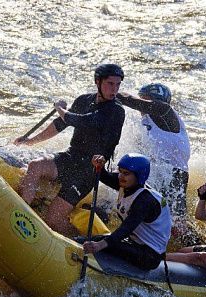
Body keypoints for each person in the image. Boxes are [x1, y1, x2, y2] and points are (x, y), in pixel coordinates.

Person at [13, 64, 126, 236]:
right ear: (98, 82)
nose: (114, 89)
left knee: (53, 220)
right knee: (35, 166)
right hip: (71, 157)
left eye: (118, 84)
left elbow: (81, 121)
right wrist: (31, 141)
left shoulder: (116, 111)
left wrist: (59, 108)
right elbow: (60, 124)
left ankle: (79, 243)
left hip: (89, 171)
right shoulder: (83, 100)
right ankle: (20, 217)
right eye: (110, 84)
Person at [116, 83, 191, 240]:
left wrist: (112, 92)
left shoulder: (165, 111)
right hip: (158, 173)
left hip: (174, 175)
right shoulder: (146, 123)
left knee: (177, 227)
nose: (142, 107)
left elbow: (132, 101)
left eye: (145, 99)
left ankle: (192, 248)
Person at [82, 153, 172, 271]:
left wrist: (100, 245)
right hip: (135, 243)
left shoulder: (145, 201)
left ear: (139, 176)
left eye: (126, 173)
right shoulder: (127, 183)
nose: (120, 176)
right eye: (120, 171)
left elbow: (126, 228)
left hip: (149, 256)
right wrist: (99, 166)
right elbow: (103, 176)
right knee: (90, 240)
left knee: (100, 243)